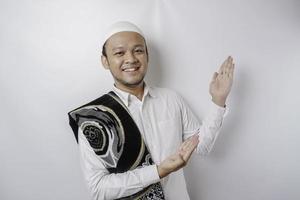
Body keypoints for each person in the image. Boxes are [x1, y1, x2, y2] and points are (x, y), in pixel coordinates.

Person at [68, 21, 235, 200]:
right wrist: (158, 171)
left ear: (147, 56)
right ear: (105, 61)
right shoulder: (93, 118)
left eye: (138, 50)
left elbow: (202, 146)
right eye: (119, 53)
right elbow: (99, 189)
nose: (131, 59)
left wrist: (218, 100)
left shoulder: (171, 99)